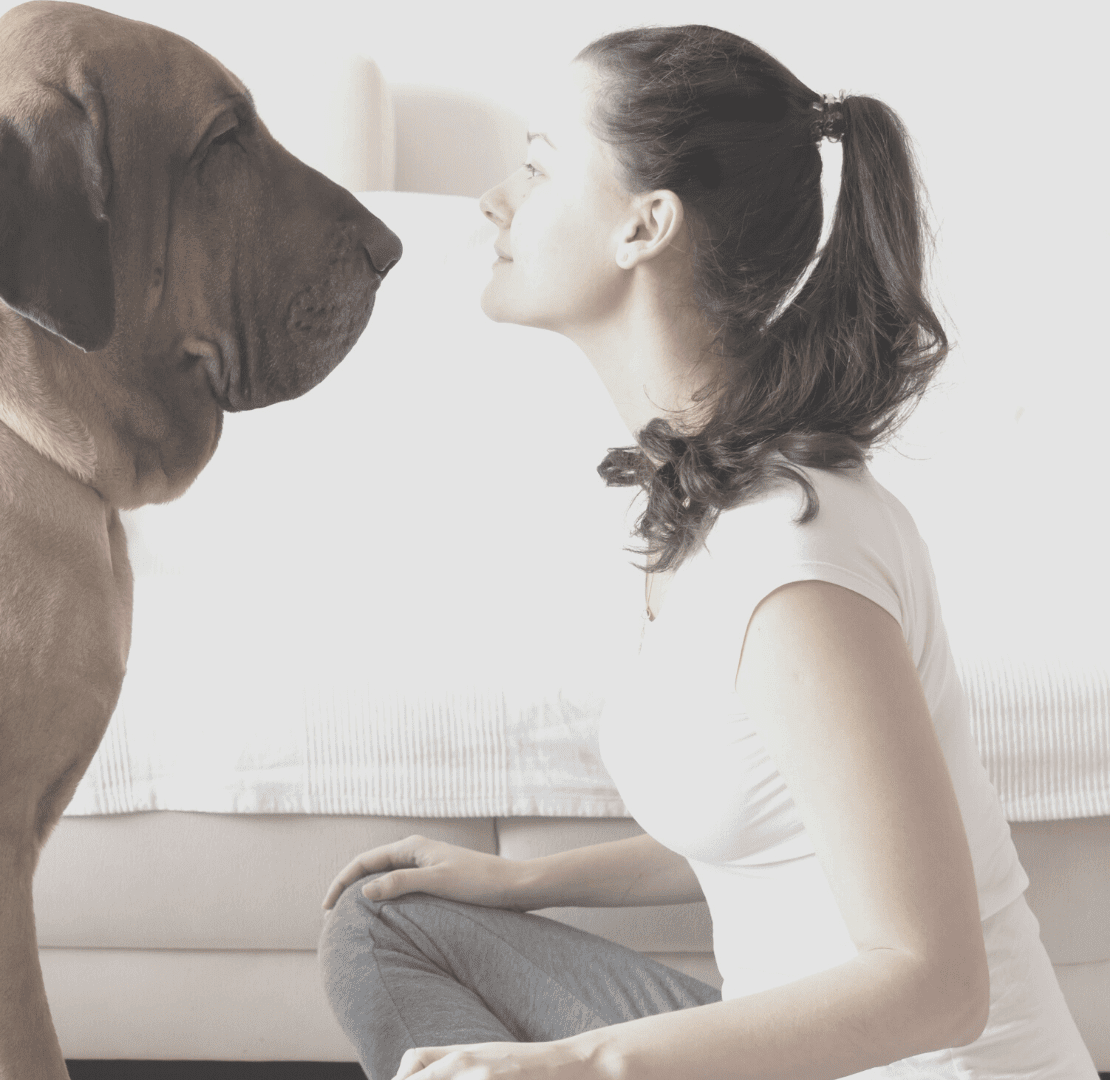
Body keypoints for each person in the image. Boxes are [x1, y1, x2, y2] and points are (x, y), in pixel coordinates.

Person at [316, 24, 1097, 1080]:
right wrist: (513, 883)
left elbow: (938, 984)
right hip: (794, 1044)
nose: (495, 201)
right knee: (385, 926)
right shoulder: (708, 503)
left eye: (540, 166)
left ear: (646, 226)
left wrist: (578, 1064)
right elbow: (777, 825)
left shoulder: (792, 562)